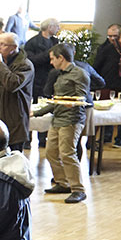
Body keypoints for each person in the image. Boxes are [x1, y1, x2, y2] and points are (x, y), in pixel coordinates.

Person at [33, 43, 90, 203]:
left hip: (71, 119)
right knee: (50, 153)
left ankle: (78, 189)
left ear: (61, 58)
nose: (51, 62)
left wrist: (72, 103)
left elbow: (82, 98)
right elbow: (57, 100)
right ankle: (63, 183)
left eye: (53, 59)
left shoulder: (80, 74)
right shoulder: (60, 74)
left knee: (67, 154)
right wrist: (36, 113)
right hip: (57, 118)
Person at [0, 33, 35, 150]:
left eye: (2, 44)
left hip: (13, 121)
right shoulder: (0, 63)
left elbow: (12, 84)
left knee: (13, 157)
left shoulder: (25, 65)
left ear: (14, 47)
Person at [25, 18, 60, 104]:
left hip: (52, 77)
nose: (59, 28)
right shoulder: (32, 42)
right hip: (37, 79)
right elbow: (31, 60)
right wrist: (49, 53)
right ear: (50, 27)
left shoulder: (55, 41)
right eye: (57, 26)